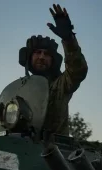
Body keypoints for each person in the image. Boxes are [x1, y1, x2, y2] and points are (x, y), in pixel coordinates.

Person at [19, 4, 88, 136]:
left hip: (54, 149)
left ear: (53, 60)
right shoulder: (21, 88)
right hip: (24, 145)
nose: (42, 57)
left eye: (46, 54)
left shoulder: (60, 86)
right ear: (29, 57)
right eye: (37, 52)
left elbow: (77, 70)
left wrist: (68, 40)